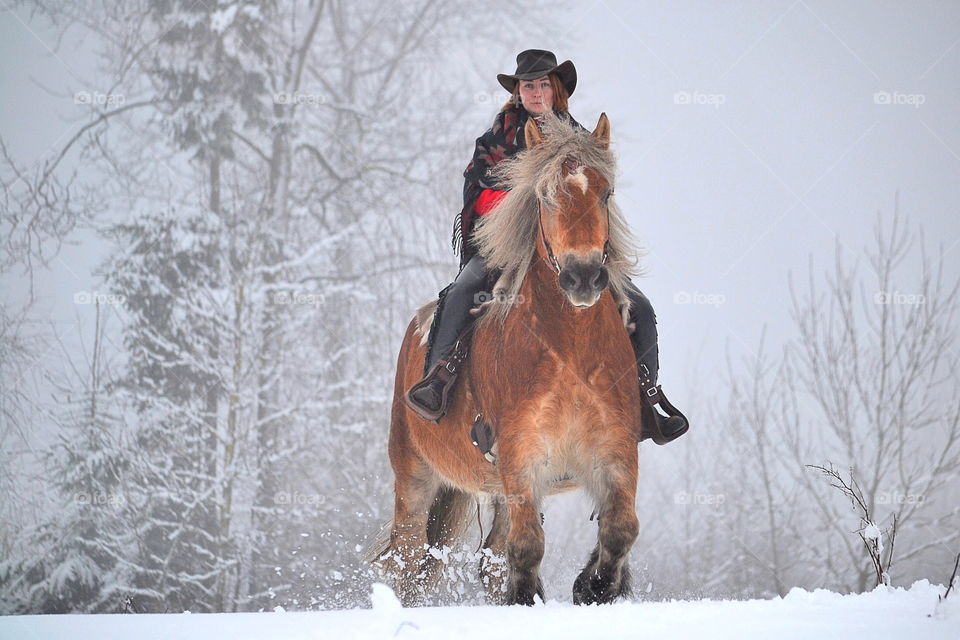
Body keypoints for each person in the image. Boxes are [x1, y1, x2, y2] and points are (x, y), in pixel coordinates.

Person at [404, 49, 688, 444]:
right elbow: (479, 193)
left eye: (542, 85)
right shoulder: (494, 140)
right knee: (463, 291)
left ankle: (646, 397)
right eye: (528, 85)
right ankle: (437, 383)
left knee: (639, 306)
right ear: (518, 91)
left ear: (556, 90)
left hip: (570, 246)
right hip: (504, 244)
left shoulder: (583, 143)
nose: (535, 92)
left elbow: (594, 194)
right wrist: (521, 207)